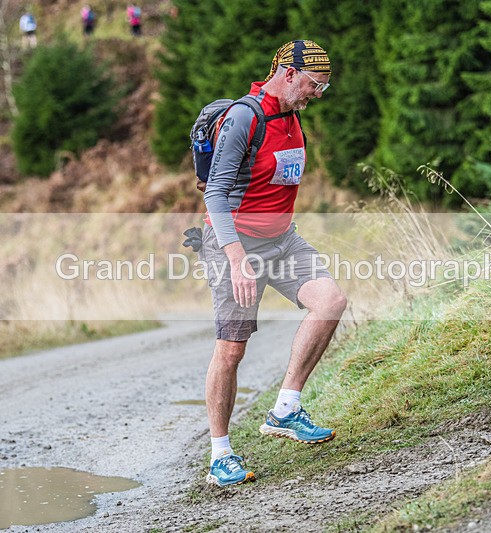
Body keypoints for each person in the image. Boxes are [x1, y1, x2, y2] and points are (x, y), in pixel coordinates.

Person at [199, 40, 346, 487]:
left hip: (282, 241)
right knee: (231, 349)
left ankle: (285, 409)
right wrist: (237, 260)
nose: (317, 93)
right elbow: (215, 194)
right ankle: (220, 455)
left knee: (330, 301)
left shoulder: (292, 115)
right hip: (235, 244)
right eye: (314, 84)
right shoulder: (245, 117)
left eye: (323, 86)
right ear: (288, 72)